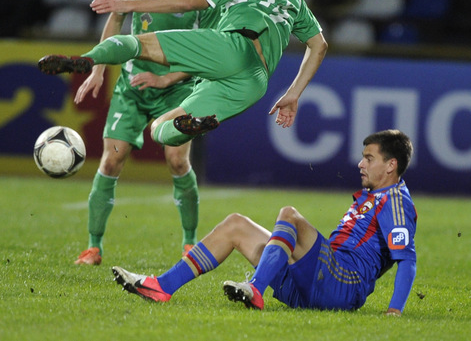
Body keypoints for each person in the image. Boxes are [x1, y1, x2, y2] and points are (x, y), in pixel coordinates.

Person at [37, 0, 328, 148]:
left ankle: (88, 60)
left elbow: (189, 1)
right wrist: (293, 94)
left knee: (135, 44)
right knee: (159, 129)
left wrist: (128, 4)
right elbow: (319, 45)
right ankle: (189, 127)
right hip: (255, 81)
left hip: (232, 47)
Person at [111, 129, 417, 315]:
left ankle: (255, 288)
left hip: (343, 285)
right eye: (363, 157)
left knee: (290, 215)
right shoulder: (374, 196)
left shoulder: (396, 202)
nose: (361, 163)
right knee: (236, 225)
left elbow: (407, 260)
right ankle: (162, 286)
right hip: (317, 285)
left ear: (391, 165)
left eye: (369, 158)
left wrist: (394, 310)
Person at [73, 0, 217, 265]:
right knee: (112, 159)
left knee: (177, 160)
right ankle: (93, 247)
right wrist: (98, 67)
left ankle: (189, 243)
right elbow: (116, 20)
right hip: (133, 86)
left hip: (178, 90)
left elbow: (210, 49)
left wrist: (167, 79)